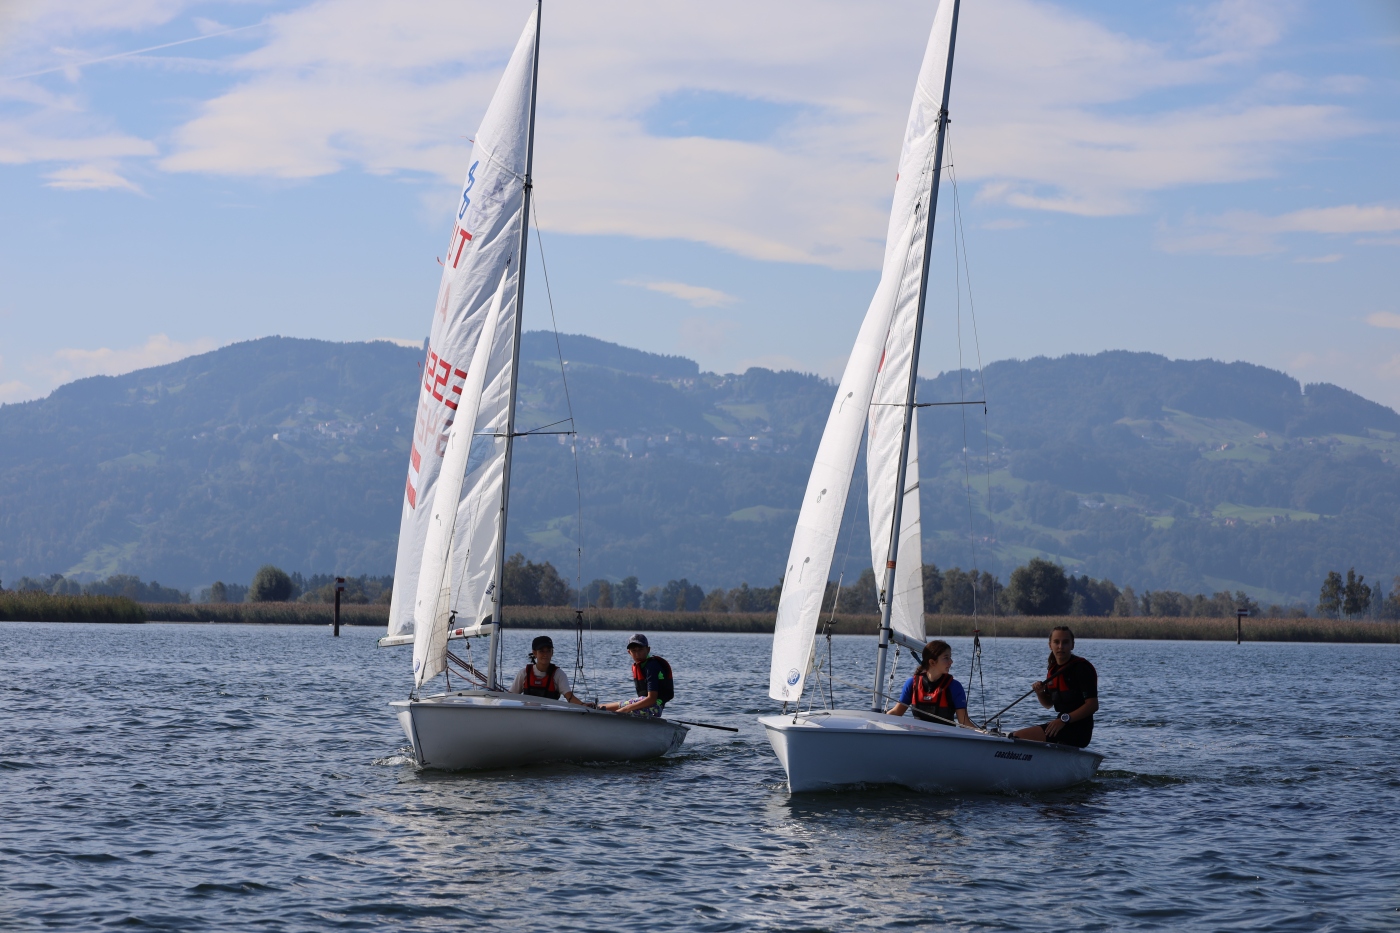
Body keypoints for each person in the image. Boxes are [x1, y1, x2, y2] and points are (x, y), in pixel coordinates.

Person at [1012, 626, 1098, 747]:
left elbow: (1093, 705)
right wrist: (1040, 692)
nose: (1060, 646)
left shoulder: (1081, 668)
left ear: (1072, 645)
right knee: (1012, 736)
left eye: (1065, 642)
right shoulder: (1053, 670)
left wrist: (1064, 720)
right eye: (1056, 642)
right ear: (1050, 645)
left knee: (1017, 737)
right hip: (1061, 724)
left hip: (1079, 730)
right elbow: (1048, 704)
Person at [886, 640, 974, 727]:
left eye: (950, 657)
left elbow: (964, 723)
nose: (951, 661)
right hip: (918, 735)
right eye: (946, 658)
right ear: (932, 662)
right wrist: (880, 721)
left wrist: (981, 733)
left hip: (945, 736)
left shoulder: (954, 687)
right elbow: (896, 713)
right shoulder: (912, 684)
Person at [598, 634, 673, 717]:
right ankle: (596, 707)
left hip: (655, 708)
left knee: (627, 706)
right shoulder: (639, 666)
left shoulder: (652, 666)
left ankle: (604, 712)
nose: (637, 654)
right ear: (629, 652)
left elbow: (651, 699)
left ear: (648, 650)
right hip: (644, 704)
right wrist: (624, 709)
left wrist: (624, 710)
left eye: (640, 650)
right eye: (634, 650)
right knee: (626, 703)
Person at [507, 635, 585, 705]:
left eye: (548, 651)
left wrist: (583, 705)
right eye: (541, 651)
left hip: (550, 714)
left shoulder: (558, 674)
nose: (545, 654)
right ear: (534, 653)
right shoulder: (524, 673)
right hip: (528, 713)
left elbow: (569, 697)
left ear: (552, 653)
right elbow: (510, 698)